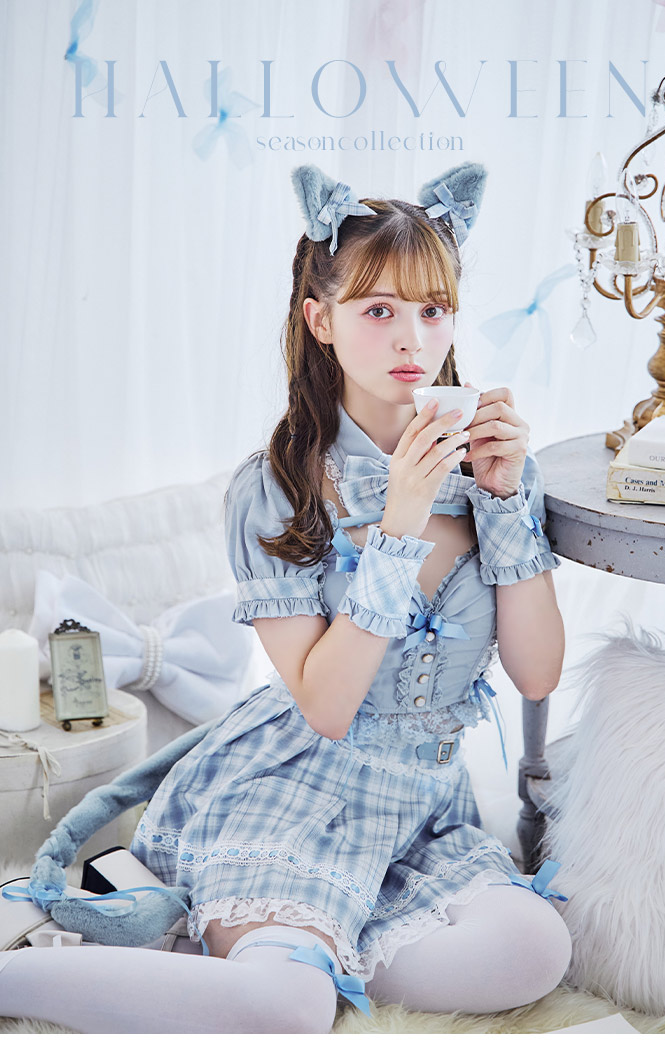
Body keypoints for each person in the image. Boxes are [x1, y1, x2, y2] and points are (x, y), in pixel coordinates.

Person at [0, 163, 570, 1034]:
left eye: (433, 309)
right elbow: (327, 708)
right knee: (288, 1008)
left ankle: (284, 948)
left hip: (423, 811)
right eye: (378, 310)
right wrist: (398, 529)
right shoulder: (275, 488)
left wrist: (501, 501)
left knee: (535, 949)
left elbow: (537, 675)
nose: (412, 336)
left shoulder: (494, 472)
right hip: (296, 789)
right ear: (320, 320)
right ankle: (42, 976)